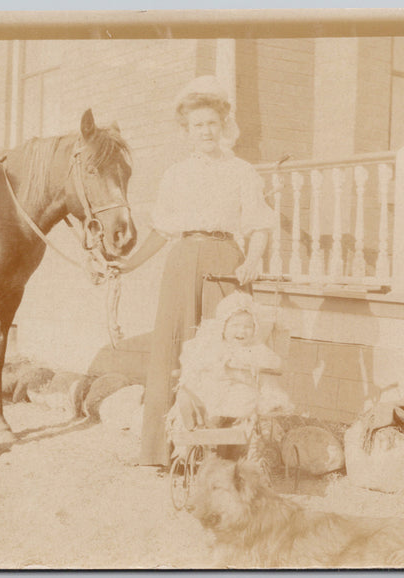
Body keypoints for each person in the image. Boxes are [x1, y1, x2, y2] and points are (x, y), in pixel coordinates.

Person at [115, 76, 277, 467]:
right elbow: (161, 229)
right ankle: (163, 451)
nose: (205, 131)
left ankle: (222, 452)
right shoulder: (175, 174)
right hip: (183, 263)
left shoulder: (241, 172)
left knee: (227, 354)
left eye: (211, 123)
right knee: (173, 349)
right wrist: (129, 263)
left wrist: (253, 259)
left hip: (225, 263)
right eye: (197, 125)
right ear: (186, 131)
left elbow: (259, 225)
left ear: (223, 126)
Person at [166, 291, 291, 460]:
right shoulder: (215, 346)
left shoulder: (254, 349)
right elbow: (197, 363)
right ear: (223, 328)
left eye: (248, 327)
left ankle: (222, 447)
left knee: (241, 411)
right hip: (215, 392)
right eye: (235, 326)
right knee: (205, 404)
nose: (242, 331)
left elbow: (274, 363)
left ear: (254, 329)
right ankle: (202, 435)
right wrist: (216, 364)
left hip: (241, 392)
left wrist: (250, 364)